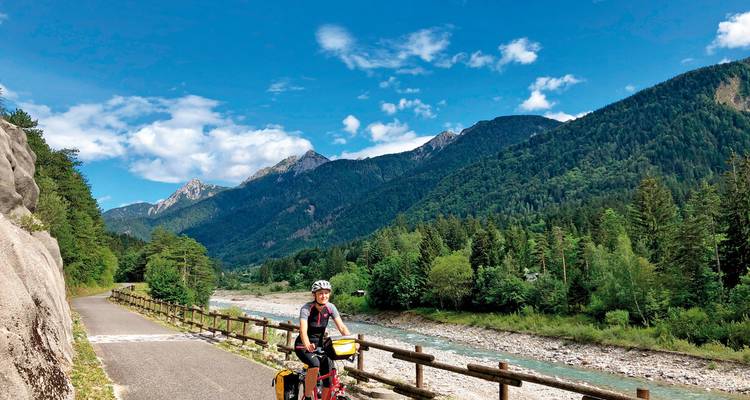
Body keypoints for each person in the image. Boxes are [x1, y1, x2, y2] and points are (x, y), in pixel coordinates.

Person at [294, 280, 351, 400]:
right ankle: (308, 397)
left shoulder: (330, 307)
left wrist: (351, 342)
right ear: (314, 295)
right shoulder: (306, 308)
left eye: (326, 293)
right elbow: (303, 330)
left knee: (329, 378)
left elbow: (341, 327)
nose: (323, 296)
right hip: (302, 346)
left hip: (320, 346)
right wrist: (307, 344)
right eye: (320, 293)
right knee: (315, 365)